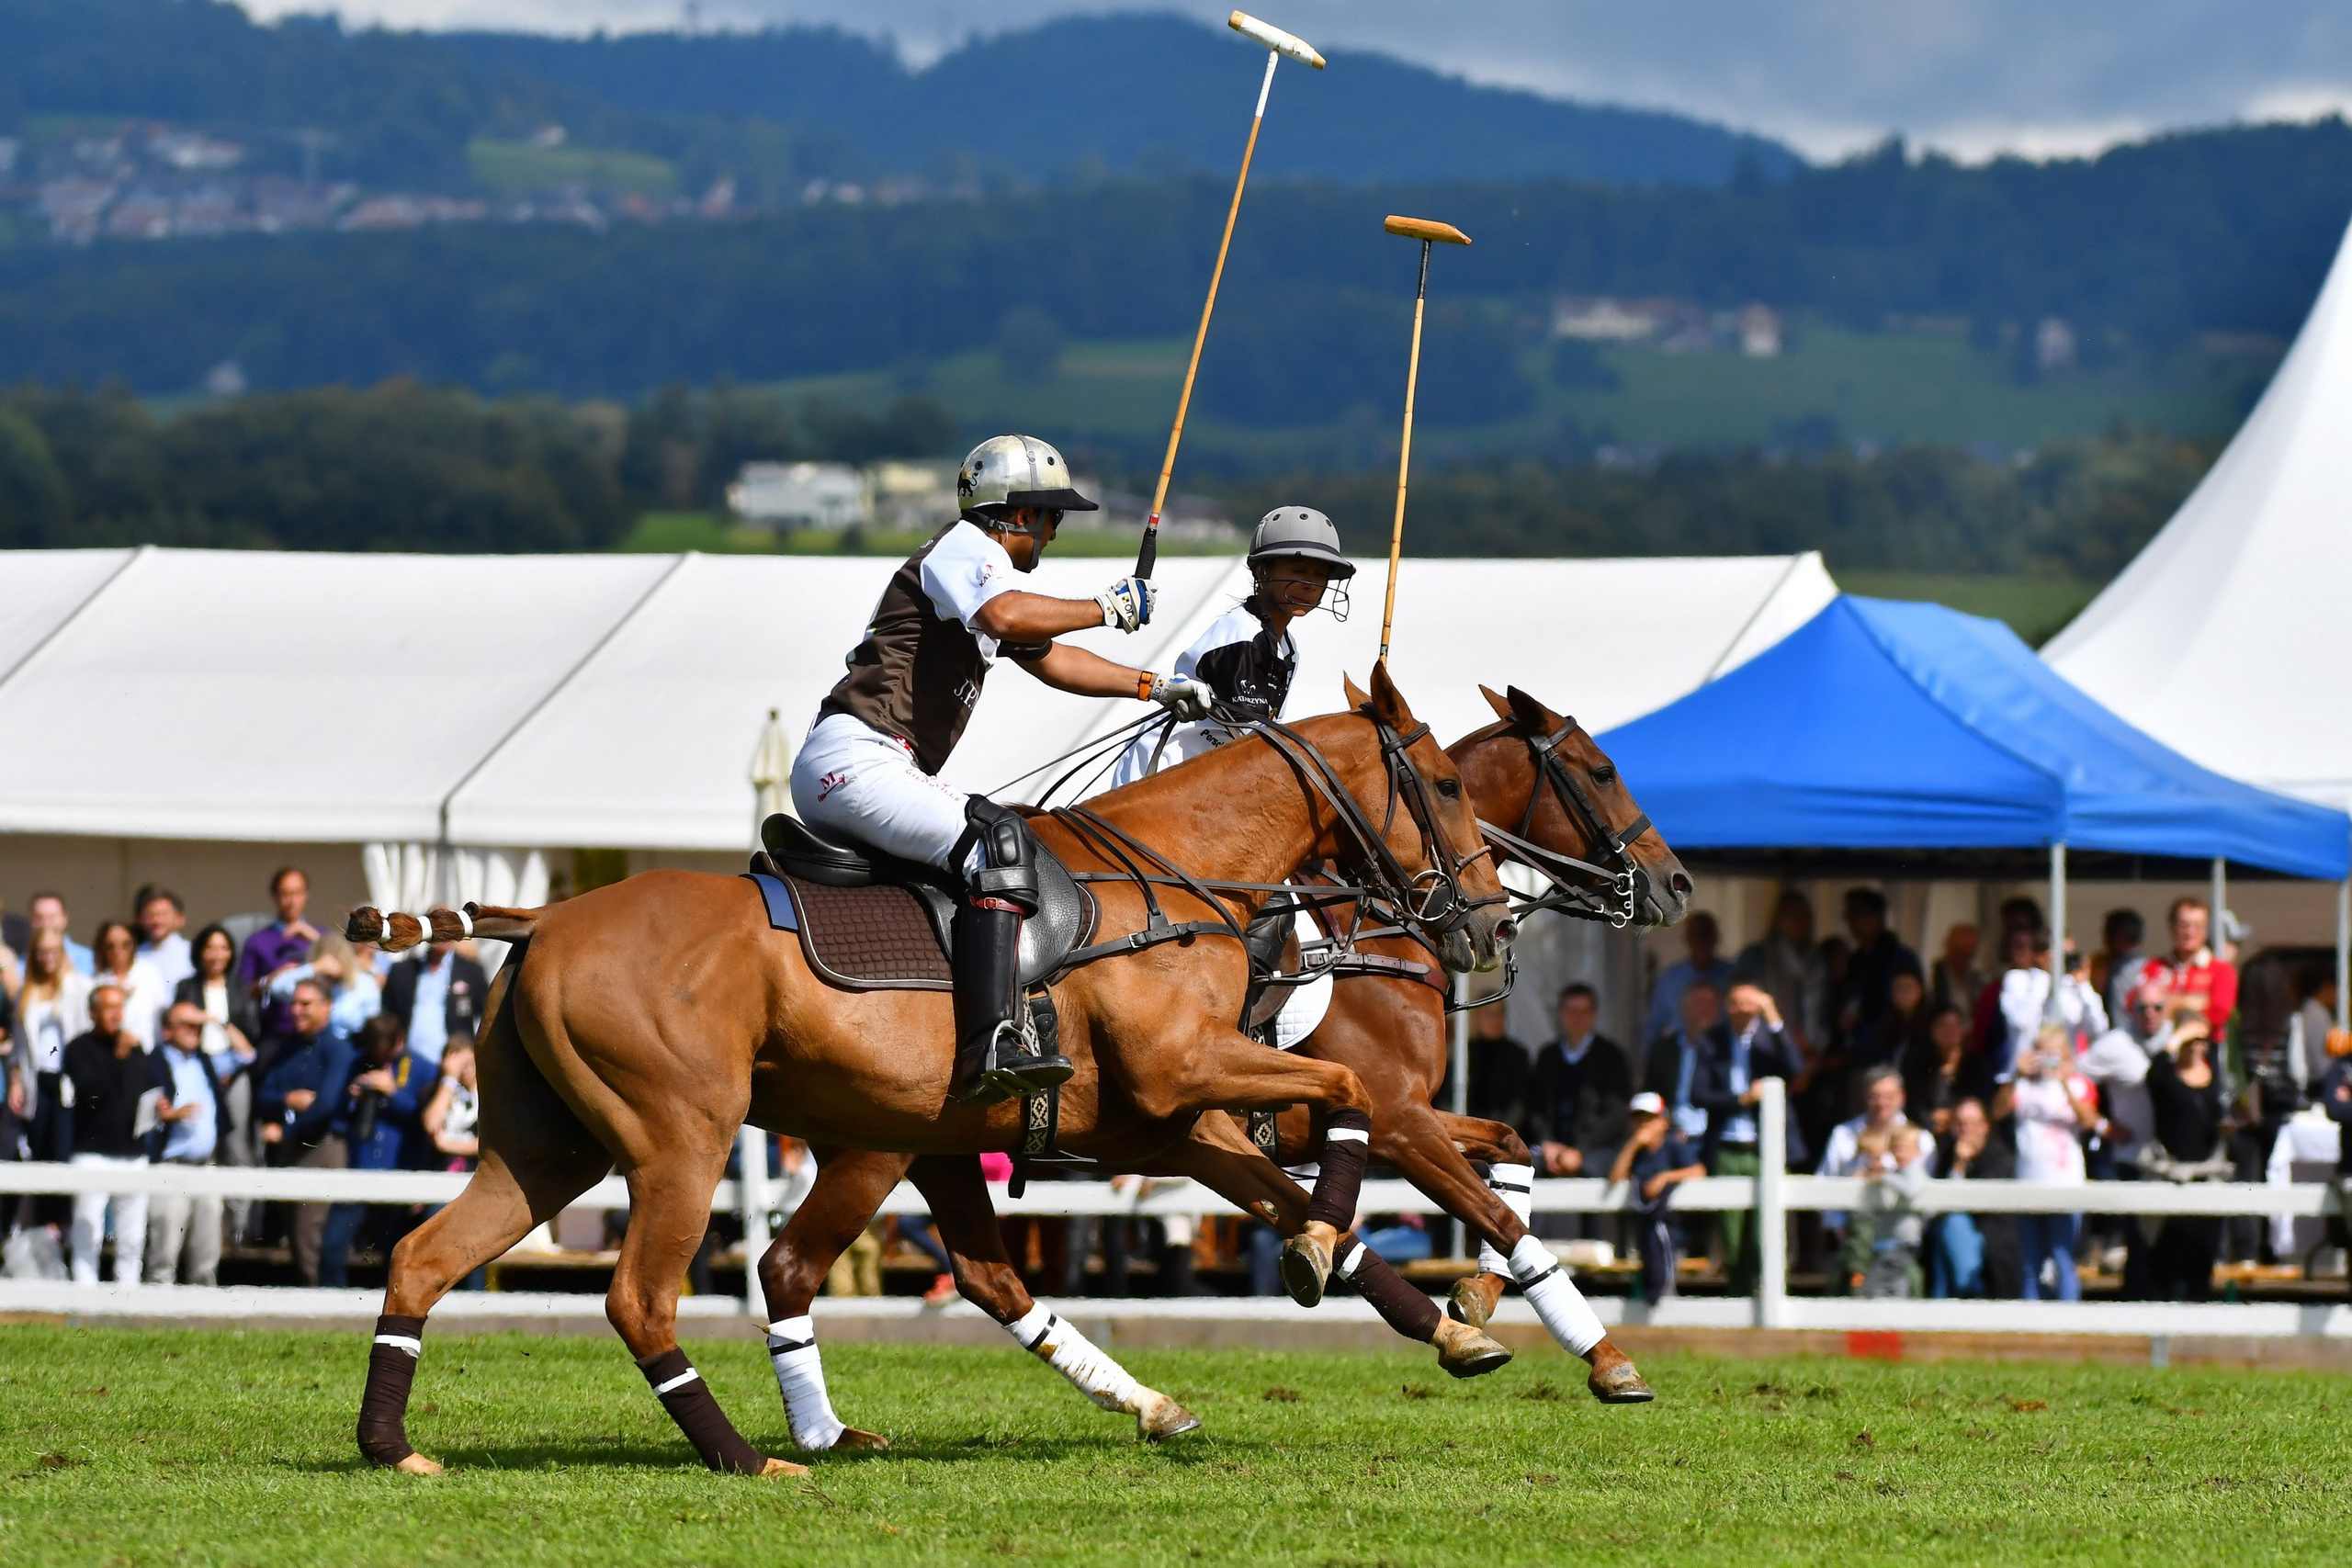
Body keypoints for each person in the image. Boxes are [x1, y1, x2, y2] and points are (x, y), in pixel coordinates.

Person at [787, 433, 1208, 1105]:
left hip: (868, 761)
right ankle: (991, 1041)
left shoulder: (979, 578)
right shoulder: (967, 551)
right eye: (1050, 518)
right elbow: (1005, 614)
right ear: (1017, 514)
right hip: (858, 758)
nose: (1051, 535)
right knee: (998, 841)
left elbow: (1052, 658)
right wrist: (1105, 607)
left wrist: (1153, 686)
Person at [1109, 504, 1352, 785]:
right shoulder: (1241, 637)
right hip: (1162, 773)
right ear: (1262, 570)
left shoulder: (1287, 647)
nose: (1310, 583)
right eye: (1299, 569)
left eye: (1320, 574)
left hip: (1209, 779)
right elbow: (1252, 746)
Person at [1690, 981, 1804, 1290]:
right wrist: (1740, 1099)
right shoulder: (1713, 1041)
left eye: (1749, 1003)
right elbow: (1697, 1094)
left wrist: (1773, 1015)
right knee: (1732, 1236)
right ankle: (1737, 1297)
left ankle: (1774, 1298)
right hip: (1727, 1147)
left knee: (1766, 1235)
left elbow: (1795, 1067)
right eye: (1736, 1003)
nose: (1742, 1010)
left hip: (1767, 1148)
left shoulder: (1770, 1038)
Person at [317, 1013, 438, 1289]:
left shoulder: (422, 1068)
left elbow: (426, 1122)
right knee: (332, 1246)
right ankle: (329, 1307)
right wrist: (352, 1097)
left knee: (396, 1255)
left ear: (400, 1039)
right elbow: (339, 1119)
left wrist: (392, 1092)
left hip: (401, 1171)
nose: (379, 1056)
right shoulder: (358, 1062)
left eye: (385, 1050)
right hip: (360, 1168)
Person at [255, 976, 357, 1286]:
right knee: (295, 1232)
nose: (296, 1011)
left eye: (305, 1004)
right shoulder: (288, 1048)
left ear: (327, 1007)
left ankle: (320, 1309)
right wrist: (287, 1099)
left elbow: (325, 1106)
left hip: (322, 1148)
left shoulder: (338, 1051)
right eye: (294, 1004)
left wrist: (285, 1132)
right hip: (292, 1148)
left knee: (309, 1235)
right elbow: (264, 1096)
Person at [62, 984, 155, 1284]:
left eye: (120, 1007)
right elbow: (91, 1093)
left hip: (133, 1154)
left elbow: (144, 1091)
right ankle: (83, 1307)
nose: (116, 1014)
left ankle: (127, 1305)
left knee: (131, 1238)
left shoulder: (135, 1047)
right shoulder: (79, 1048)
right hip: (92, 1155)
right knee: (88, 1235)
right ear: (93, 1012)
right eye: (108, 1007)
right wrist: (117, 1056)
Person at [2007, 1023, 2100, 1301]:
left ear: (2066, 1054)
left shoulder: (2079, 1083)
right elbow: (1997, 1111)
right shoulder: (2023, 1085)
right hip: (2028, 1182)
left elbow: (2088, 1121)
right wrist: (2015, 1074)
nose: (2047, 1060)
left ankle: (2069, 1325)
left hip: (2065, 1183)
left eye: (2054, 1054)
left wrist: (2063, 1082)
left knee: (2063, 1258)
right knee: (2029, 1262)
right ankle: (2030, 1328)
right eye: (2042, 1053)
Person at [2139, 1019, 2230, 1301]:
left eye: (2201, 1041)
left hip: (2207, 1173)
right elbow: (2153, 1076)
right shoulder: (2166, 1075)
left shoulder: (2216, 1074)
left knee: (2202, 1254)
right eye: (2191, 1042)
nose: (2196, 1047)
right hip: (2173, 1174)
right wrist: (2177, 1036)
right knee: (2168, 1256)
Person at [144, 1002, 230, 1285]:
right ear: (167, 1030)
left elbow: (246, 1054)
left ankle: (204, 1319)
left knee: (207, 1250)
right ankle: (155, 1315)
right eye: (187, 1024)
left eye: (198, 1025)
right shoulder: (151, 1062)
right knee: (164, 1249)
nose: (195, 1030)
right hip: (170, 1167)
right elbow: (141, 1112)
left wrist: (213, 1017)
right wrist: (167, 1116)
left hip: (206, 1166)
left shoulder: (203, 1061)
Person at [1526, 984, 1631, 1180]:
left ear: (1594, 1015)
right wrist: (1547, 1142)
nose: (1578, 1018)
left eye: (1584, 1012)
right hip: (1553, 1150)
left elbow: (1616, 1114)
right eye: (1571, 1012)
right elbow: (1536, 1108)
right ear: (1561, 1014)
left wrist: (1580, 1151)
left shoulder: (1611, 1057)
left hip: (1598, 1149)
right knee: (1523, 1170)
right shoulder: (1547, 1057)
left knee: (1589, 1170)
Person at [1610, 1090, 1705, 1303]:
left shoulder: (1672, 1146)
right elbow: (1615, 1178)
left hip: (1671, 1224)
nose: (1643, 1125)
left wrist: (1666, 1177)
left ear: (1663, 1122)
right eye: (1638, 1120)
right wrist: (1633, 1145)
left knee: (1663, 1266)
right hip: (1643, 1223)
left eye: (1649, 1120)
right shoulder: (1635, 1151)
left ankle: (1665, 1298)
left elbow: (1698, 1171)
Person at [1928, 1098, 2021, 1298]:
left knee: (1955, 1222)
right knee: (1947, 1225)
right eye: (1960, 1124)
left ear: (1984, 1126)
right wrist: (1958, 1166)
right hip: (1949, 1237)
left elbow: (1983, 1207)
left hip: (1992, 1238)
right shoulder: (1946, 1156)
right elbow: (1938, 1204)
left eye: (1971, 1124)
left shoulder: (2000, 1158)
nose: (1965, 1130)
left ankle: (1969, 1292)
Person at [1992, 927, 2107, 1082]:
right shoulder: (2018, 980)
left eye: (2069, 955)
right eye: (2062, 955)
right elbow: (2021, 1022)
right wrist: (2047, 976)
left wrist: (2084, 986)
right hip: (2026, 1079)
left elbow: (2097, 1029)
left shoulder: (2074, 987)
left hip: (2065, 1080)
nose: (2065, 960)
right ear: (2040, 956)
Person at [1731, 890, 1826, 1059]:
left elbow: (1826, 1010)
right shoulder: (1756, 957)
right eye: (1792, 915)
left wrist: (1813, 1052)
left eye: (1804, 915)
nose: (1798, 922)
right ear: (1778, 919)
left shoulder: (1819, 961)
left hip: (1812, 1053)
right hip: (1764, 1050)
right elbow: (1738, 999)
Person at [236, 867, 322, 1041]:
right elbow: (243, 989)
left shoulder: (320, 935)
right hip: (276, 1031)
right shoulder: (258, 940)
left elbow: (342, 970)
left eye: (298, 893)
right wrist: (271, 979)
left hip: (317, 1033)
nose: (292, 901)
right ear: (274, 897)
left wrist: (316, 940)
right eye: (286, 894)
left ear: (306, 895)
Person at [1831, 887, 1922, 1052]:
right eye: (1849, 916)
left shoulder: (1899, 958)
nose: (1852, 922)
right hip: (1858, 1048)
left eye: (1858, 915)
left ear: (1876, 917)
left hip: (1890, 1045)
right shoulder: (1856, 959)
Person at [2134, 897, 2238, 1036]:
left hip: (2203, 1048)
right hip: (2158, 1044)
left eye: (2198, 926)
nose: (2190, 932)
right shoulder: (2154, 967)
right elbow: (2133, 1005)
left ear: (2206, 929)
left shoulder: (2221, 971)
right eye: (2184, 925)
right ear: (2172, 927)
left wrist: (2166, 1004)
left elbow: (2218, 1014)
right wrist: (2188, 1002)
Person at [380, 938, 485, 1070]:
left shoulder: (471, 972)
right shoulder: (403, 970)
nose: (443, 936)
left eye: (448, 931)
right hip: (409, 1060)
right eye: (438, 929)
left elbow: (485, 1015)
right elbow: (388, 1013)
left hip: (454, 1062)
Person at [1901, 1003, 1988, 1136]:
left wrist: (1953, 1116)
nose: (1950, 1031)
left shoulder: (1976, 1065)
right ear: (1931, 1031)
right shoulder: (1918, 1064)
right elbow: (1913, 1103)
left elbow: (1983, 1100)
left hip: (1966, 1132)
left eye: (1955, 1025)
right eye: (1943, 1025)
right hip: (1926, 1132)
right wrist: (1929, 1118)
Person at [1644, 911, 1731, 1042]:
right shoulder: (1668, 980)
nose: (1701, 941)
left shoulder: (1731, 976)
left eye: (1706, 934)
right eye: (1696, 934)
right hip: (1680, 1056)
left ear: (1716, 938)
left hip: (1723, 1056)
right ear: (1686, 938)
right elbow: (1654, 1027)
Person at [1451, 998, 1532, 1132]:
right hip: (1468, 1129)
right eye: (1489, 1014)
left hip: (1503, 1132)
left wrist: (1500, 1131)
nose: (1495, 1019)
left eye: (1500, 1014)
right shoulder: (1464, 1054)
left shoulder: (1517, 1055)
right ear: (1477, 1017)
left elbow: (1520, 1103)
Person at [89, 919, 170, 1051]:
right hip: (111, 1054)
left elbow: (162, 1014)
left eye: (125, 944)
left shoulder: (150, 973)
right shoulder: (95, 981)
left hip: (149, 1052)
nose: (118, 950)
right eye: (110, 946)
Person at [2091, 908, 2145, 1026]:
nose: (2105, 940)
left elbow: (2119, 1015)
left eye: (2107, 934)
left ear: (2119, 937)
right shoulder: (2149, 966)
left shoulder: (2120, 971)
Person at [134, 886, 194, 991]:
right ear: (141, 919)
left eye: (162, 915)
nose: (157, 921)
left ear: (175, 917)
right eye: (150, 915)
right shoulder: (136, 955)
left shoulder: (190, 952)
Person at [27, 892, 94, 976]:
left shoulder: (88, 960)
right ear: (30, 920)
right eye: (39, 918)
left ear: (64, 919)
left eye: (52, 917)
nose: (46, 924)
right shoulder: (20, 964)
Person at [1929, 921, 1986, 1016]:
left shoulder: (1977, 981)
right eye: (1959, 951)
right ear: (1948, 947)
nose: (1963, 958)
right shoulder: (1933, 977)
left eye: (1968, 953)